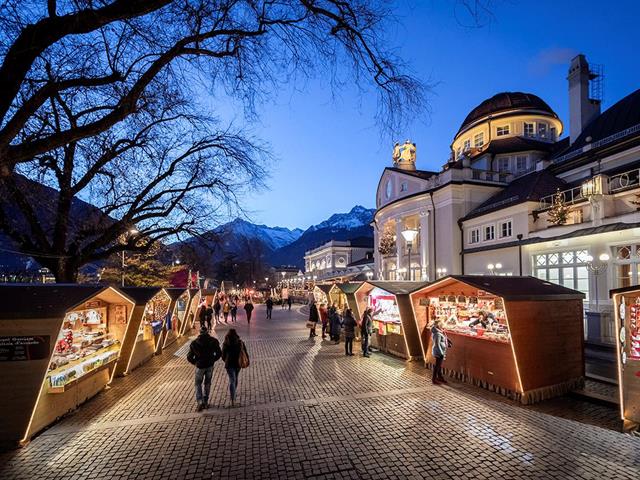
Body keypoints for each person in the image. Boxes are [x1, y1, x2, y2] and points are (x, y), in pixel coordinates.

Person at [187, 327, 222, 411]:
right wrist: (213, 359)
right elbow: (219, 353)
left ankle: (200, 401)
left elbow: (189, 356)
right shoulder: (213, 341)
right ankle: (206, 401)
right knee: (207, 383)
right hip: (209, 365)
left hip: (200, 366)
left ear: (200, 333)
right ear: (207, 332)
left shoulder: (194, 343)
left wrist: (195, 362)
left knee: (197, 384)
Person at [221, 329, 247, 407]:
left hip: (229, 365)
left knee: (232, 380)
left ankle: (233, 399)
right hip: (238, 364)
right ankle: (233, 396)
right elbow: (245, 352)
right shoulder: (240, 342)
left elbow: (223, 355)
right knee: (235, 379)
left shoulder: (226, 343)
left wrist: (226, 360)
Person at [431, 319, 450, 385]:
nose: (443, 326)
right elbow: (437, 344)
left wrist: (448, 341)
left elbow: (443, 339)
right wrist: (441, 353)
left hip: (440, 350)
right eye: (442, 325)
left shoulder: (439, 332)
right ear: (439, 326)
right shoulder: (437, 333)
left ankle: (440, 377)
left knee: (438, 365)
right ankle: (434, 379)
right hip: (439, 351)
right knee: (437, 365)